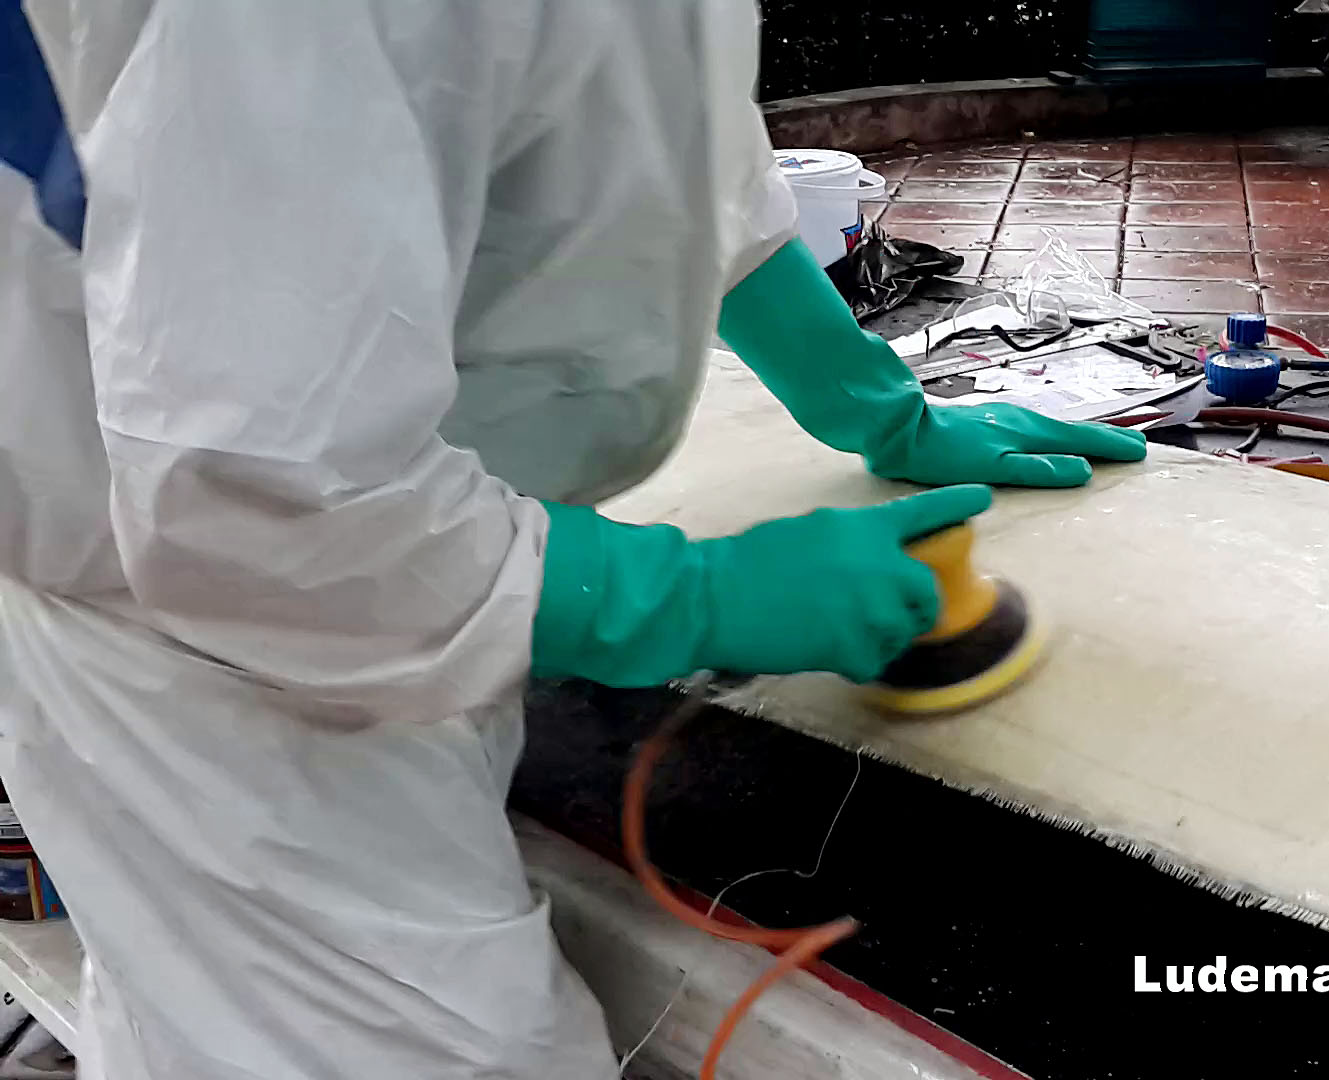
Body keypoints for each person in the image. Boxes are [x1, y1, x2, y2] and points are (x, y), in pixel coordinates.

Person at [0, 2, 1147, 1077]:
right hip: (183, 620)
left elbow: (652, 128)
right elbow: (255, 494)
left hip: (374, 528)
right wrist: (689, 597)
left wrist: (865, 395)